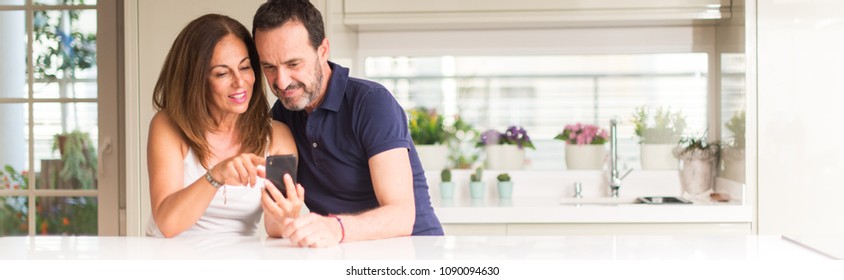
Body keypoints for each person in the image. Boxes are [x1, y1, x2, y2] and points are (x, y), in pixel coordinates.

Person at [252, 0, 444, 247]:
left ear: (323, 50)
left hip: (415, 252)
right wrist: (284, 212)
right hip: (347, 255)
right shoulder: (281, 115)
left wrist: (335, 227)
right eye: (269, 67)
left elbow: (401, 216)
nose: (281, 81)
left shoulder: (371, 103)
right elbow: (277, 225)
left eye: (293, 64)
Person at [146, 14, 298, 238]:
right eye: (222, 73)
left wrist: (287, 214)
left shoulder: (278, 137)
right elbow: (168, 224)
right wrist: (216, 175)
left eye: (245, 67)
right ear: (196, 80)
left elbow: (274, 228)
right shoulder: (168, 126)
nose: (240, 82)